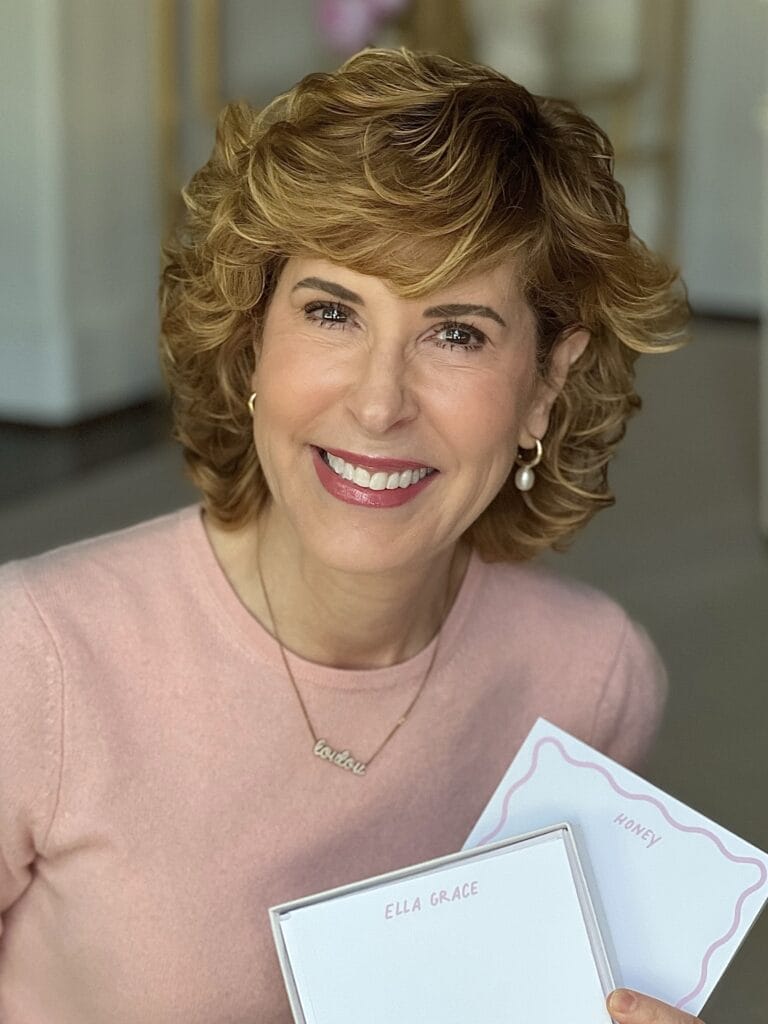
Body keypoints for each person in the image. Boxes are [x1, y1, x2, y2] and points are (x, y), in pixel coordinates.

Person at [0, 47, 697, 1024]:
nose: (378, 404)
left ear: (546, 380)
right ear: (251, 340)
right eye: (333, 311)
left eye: (457, 332)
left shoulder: (590, 679)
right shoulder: (36, 655)